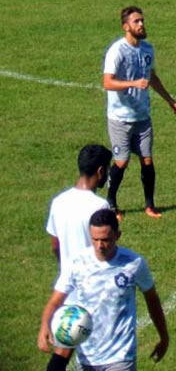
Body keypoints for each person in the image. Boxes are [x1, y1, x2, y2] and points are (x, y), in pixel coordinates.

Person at [37, 209, 169, 371]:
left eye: (105, 240)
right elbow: (56, 300)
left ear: (117, 235)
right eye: (95, 239)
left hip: (121, 357)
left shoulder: (133, 263)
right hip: (87, 357)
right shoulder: (77, 263)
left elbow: (152, 299)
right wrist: (45, 325)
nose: (100, 245)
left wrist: (164, 336)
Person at [103, 5, 176, 220]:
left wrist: (169, 99)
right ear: (125, 26)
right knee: (122, 162)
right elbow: (107, 82)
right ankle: (111, 202)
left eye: (142, 20)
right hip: (120, 117)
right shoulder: (116, 51)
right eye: (136, 21)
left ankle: (150, 205)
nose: (141, 24)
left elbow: (152, 77)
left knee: (147, 160)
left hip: (142, 116)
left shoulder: (147, 49)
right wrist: (133, 83)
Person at [44, 144, 112, 371]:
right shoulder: (100, 206)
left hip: (68, 288)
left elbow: (55, 244)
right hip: (95, 292)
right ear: (101, 171)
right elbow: (106, 248)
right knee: (98, 357)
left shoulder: (59, 201)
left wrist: (65, 270)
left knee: (63, 350)